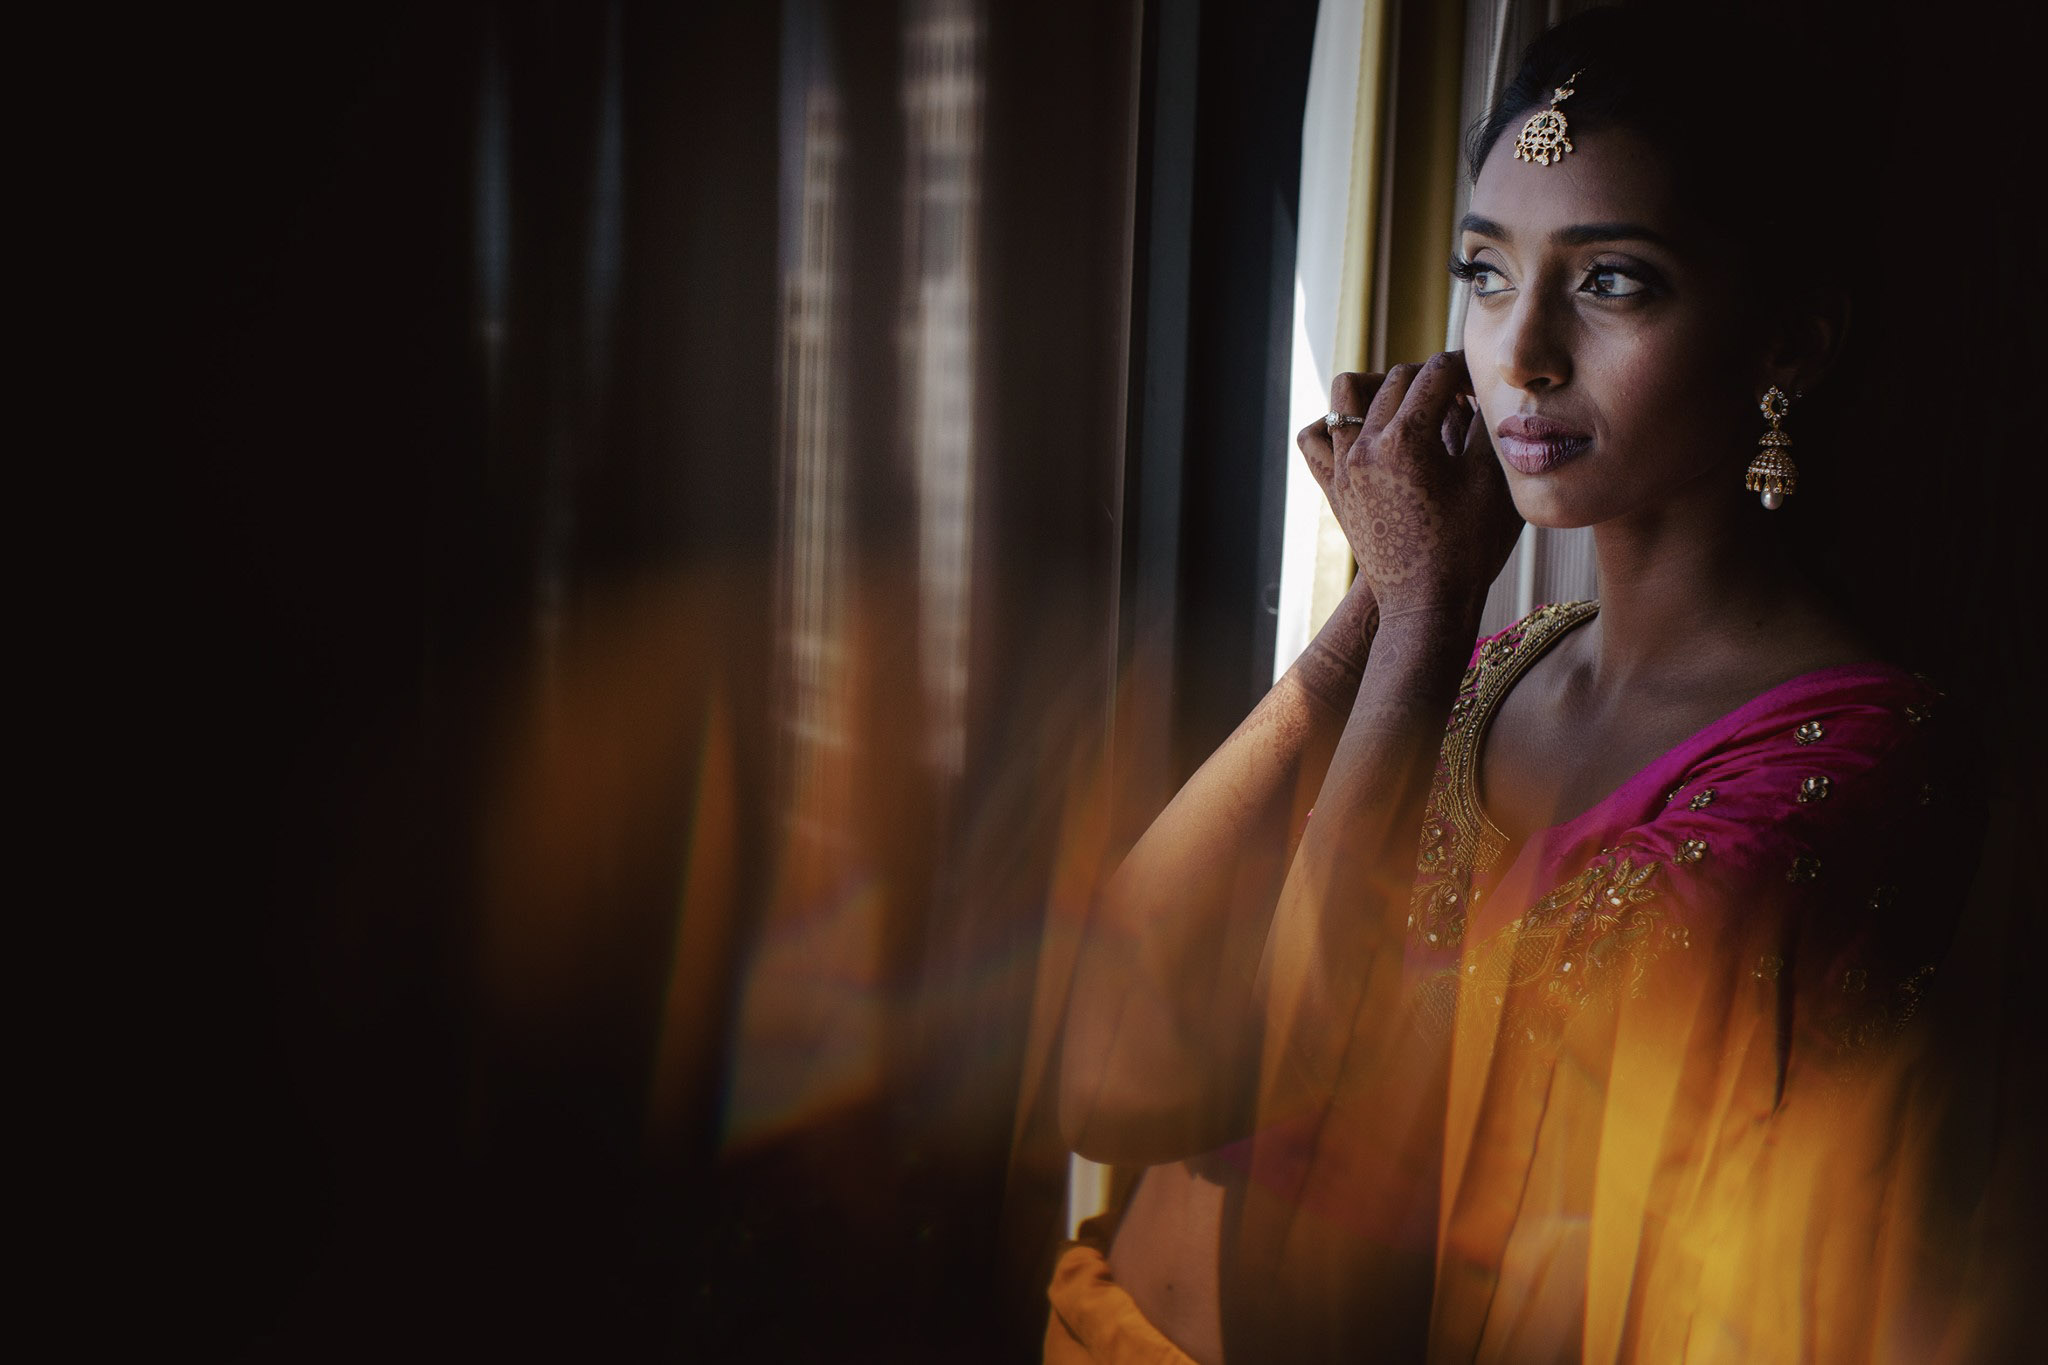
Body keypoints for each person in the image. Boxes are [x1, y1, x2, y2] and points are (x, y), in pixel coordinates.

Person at [1045, 8, 1994, 1362]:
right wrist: (1371, 618)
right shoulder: (1493, 674)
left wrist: (1424, 618)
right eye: (1485, 276)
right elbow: (1108, 1070)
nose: (1523, 355)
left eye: (1613, 282)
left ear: (1791, 341)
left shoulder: (1848, 767)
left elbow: (1323, 1171)